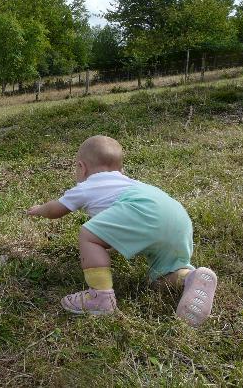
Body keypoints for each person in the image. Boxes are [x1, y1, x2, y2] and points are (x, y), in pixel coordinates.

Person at [27, 135, 217, 327]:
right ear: (121, 170)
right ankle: (189, 278)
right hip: (177, 216)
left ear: (81, 168)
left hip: (143, 210)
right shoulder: (130, 183)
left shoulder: (87, 185)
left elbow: (56, 209)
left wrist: (39, 209)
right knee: (161, 279)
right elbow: (127, 226)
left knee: (89, 236)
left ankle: (100, 297)